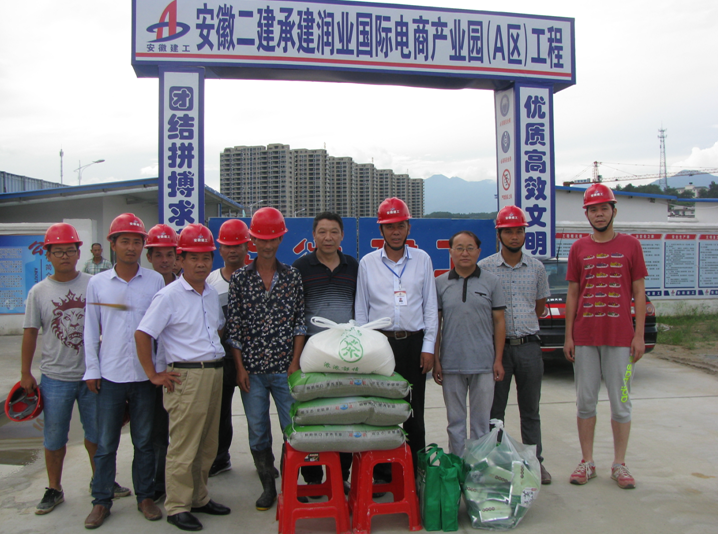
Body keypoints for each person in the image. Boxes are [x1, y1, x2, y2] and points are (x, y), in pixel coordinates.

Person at [20, 223, 129, 515]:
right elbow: (30, 333)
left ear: (79, 253)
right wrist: (25, 373)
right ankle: (54, 488)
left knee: (97, 435)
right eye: (58, 251)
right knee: (55, 436)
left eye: (70, 250)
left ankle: (101, 482)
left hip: (92, 376)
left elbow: (113, 322)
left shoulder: (94, 284)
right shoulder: (38, 292)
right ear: (48, 255)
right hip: (55, 378)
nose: (65, 256)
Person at [136, 223, 231, 532]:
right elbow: (143, 334)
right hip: (186, 376)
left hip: (213, 372)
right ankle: (178, 506)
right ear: (181, 259)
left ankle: (199, 497)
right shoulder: (169, 295)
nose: (201, 264)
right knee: (184, 446)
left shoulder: (210, 293)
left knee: (207, 444)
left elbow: (216, 328)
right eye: (193, 258)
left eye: (206, 257)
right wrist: (153, 374)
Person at [82, 213, 165, 529]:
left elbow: (161, 331)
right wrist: (92, 370)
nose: (131, 247)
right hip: (110, 375)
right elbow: (91, 330)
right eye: (125, 241)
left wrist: (158, 369)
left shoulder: (155, 281)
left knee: (144, 441)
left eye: (137, 241)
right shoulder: (97, 284)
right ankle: (101, 501)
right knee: (106, 444)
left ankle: (145, 497)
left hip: (145, 377)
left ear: (143, 246)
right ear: (113, 244)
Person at [563, 184, 647, 489]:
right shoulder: (578, 248)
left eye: (604, 208)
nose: (599, 214)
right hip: (585, 338)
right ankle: (587, 462)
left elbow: (639, 292)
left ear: (614, 210)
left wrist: (638, 335)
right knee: (585, 402)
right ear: (586, 214)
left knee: (621, 402)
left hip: (621, 340)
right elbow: (573, 293)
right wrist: (569, 336)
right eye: (593, 210)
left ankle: (619, 464)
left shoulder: (631, 245)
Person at [225, 207, 306, 511]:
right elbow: (234, 328)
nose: (267, 245)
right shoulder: (240, 279)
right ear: (252, 241)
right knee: (258, 430)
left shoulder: (292, 277)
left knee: (292, 428)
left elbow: (299, 322)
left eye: (273, 239)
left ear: (281, 239)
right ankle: (268, 487)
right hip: (253, 372)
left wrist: (295, 362)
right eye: (261, 239)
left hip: (285, 368)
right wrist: (240, 368)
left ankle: (290, 485)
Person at [355, 197, 439, 474]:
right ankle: (381, 475)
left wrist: (428, 347)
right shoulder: (368, 263)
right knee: (380, 413)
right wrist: (365, 350)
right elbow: (361, 311)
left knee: (414, 413)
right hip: (380, 346)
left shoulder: (422, 259)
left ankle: (415, 474)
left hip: (414, 344)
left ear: (408, 228)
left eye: (400, 225)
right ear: (381, 229)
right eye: (389, 226)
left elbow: (430, 307)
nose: (395, 231)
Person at [478, 206, 552, 484]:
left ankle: (535, 463)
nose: (514, 236)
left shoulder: (536, 267)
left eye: (519, 231)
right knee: (494, 412)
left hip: (529, 347)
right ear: (499, 234)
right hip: (498, 350)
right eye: (508, 231)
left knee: (530, 410)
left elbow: (539, 307)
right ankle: (495, 464)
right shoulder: (484, 267)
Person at [292, 212, 358, 492]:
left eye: (333, 232)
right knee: (313, 414)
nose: (328, 237)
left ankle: (340, 476)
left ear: (342, 235)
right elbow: (295, 312)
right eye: (322, 232)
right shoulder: (300, 267)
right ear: (314, 235)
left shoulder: (353, 266)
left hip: (346, 351)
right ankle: (313, 477)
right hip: (313, 352)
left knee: (344, 413)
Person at [434, 231, 506, 457]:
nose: (464, 253)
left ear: (479, 251)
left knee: (481, 424)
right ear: (450, 252)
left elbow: (499, 322)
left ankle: (478, 470)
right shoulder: (440, 283)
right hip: (451, 364)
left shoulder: (492, 282)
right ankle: (457, 467)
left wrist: (498, 360)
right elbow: (435, 324)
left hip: (484, 364)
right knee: (455, 423)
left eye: (470, 248)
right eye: (459, 248)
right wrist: (436, 360)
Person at [206, 219, 251, 478]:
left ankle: (264, 460)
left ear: (247, 247)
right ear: (219, 249)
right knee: (219, 412)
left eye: (238, 245)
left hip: (252, 357)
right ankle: (220, 458)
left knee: (256, 412)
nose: (232, 250)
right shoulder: (210, 281)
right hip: (221, 358)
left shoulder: (257, 277)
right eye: (227, 246)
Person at [144, 223, 180, 503]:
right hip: (149, 372)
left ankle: (181, 483)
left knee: (180, 431)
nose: (164, 260)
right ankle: (157, 483)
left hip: (179, 371)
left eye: (170, 254)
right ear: (149, 257)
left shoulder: (187, 284)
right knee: (155, 430)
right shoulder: (143, 288)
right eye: (158, 255)